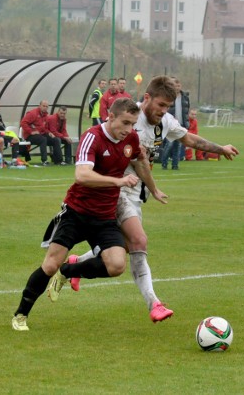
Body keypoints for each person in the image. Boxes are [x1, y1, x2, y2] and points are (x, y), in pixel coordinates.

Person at [73, 75, 239, 323]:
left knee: (127, 246)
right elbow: (138, 163)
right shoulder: (130, 121)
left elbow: (189, 138)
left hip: (136, 193)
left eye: (168, 107)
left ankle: (76, 264)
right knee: (139, 240)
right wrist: (155, 187)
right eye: (160, 105)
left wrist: (220, 148)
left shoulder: (165, 122)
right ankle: (154, 303)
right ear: (147, 98)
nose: (164, 111)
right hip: (117, 190)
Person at [11, 98, 168, 331]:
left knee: (116, 265)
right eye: (125, 122)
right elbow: (82, 175)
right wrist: (118, 181)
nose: (128, 130)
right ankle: (21, 315)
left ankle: (69, 270)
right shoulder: (92, 136)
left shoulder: (131, 139)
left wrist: (153, 188)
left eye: (132, 124)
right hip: (76, 212)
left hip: (104, 217)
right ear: (111, 116)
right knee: (51, 264)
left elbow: (141, 163)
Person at [20, 99, 63, 166]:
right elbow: (23, 123)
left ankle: (59, 161)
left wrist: (49, 132)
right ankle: (44, 160)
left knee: (56, 139)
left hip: (40, 134)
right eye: (44, 106)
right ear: (39, 106)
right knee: (43, 139)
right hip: (29, 136)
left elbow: (44, 128)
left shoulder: (45, 115)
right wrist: (31, 131)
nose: (45, 108)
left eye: (46, 106)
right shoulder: (32, 113)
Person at [161, 77, 190, 170]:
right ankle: (164, 163)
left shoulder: (184, 96)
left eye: (178, 86)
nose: (177, 88)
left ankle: (175, 165)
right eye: (175, 86)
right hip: (171, 124)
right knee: (169, 144)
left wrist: (186, 122)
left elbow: (186, 110)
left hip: (181, 124)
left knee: (178, 146)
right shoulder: (168, 96)